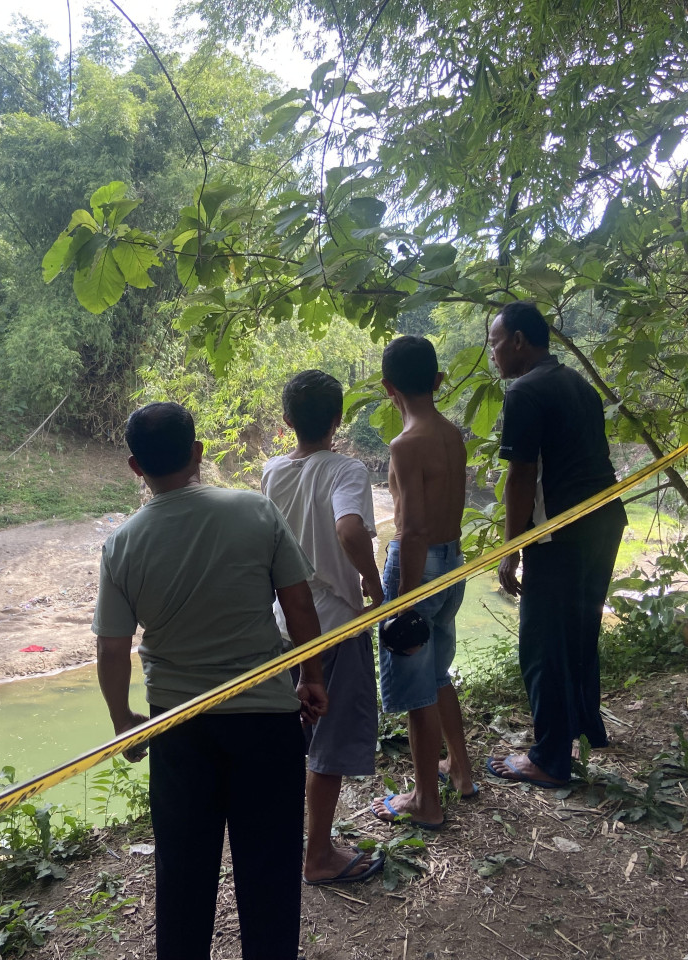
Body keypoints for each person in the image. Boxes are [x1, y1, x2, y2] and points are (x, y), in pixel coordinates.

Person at [92, 402, 329, 960]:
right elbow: (299, 607)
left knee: (182, 876)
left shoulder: (122, 542)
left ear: (134, 467)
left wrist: (125, 722)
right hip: (268, 724)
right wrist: (311, 677)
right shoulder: (255, 510)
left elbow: (111, 647)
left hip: (179, 731)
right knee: (269, 874)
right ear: (198, 453)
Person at [485, 301, 627, 789]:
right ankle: (582, 730)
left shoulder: (525, 392)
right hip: (604, 522)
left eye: (496, 343)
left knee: (543, 644)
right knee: (579, 632)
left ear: (520, 341)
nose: (494, 353)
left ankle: (549, 759)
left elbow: (522, 475)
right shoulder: (577, 384)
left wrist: (512, 547)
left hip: (562, 532)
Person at [262, 370, 385, 885]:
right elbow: (349, 528)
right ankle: (318, 857)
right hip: (334, 627)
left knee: (290, 739)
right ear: (338, 419)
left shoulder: (271, 471)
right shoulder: (346, 470)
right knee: (328, 744)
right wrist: (374, 585)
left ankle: (285, 846)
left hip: (282, 626)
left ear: (288, 420)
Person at [372, 336, 477, 831]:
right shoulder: (452, 433)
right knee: (436, 674)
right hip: (453, 561)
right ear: (437, 382)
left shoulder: (405, 444)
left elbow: (411, 527)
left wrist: (404, 603)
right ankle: (460, 770)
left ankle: (425, 802)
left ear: (389, 389)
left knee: (416, 688)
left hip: (420, 569)